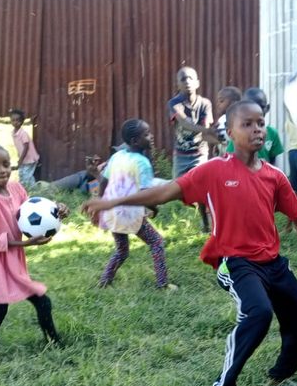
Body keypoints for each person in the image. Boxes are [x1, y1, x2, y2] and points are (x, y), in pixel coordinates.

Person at [83, 100, 297, 386]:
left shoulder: (273, 176)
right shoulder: (213, 171)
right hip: (237, 263)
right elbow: (162, 193)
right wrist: (112, 201)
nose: (257, 129)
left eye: (260, 123)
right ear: (230, 132)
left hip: (274, 263)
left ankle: (279, 377)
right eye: (247, 124)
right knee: (259, 313)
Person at [0, 143, 67, 371]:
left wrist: (56, 210)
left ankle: (54, 342)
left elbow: (30, 212)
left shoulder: (16, 188)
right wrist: (24, 243)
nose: (2, 170)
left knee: (41, 301)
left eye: (5, 164)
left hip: (13, 261)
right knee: (1, 308)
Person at [84, 119, 174, 290]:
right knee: (156, 243)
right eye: (146, 134)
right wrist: (154, 208)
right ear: (135, 141)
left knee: (122, 251)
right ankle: (162, 284)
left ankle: (104, 282)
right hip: (130, 213)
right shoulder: (142, 163)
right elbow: (146, 194)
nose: (151, 136)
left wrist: (101, 205)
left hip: (112, 213)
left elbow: (104, 183)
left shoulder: (117, 156)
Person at [167, 66, 214, 231]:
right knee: (178, 190)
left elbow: (206, 126)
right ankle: (195, 202)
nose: (187, 81)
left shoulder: (205, 104)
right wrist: (208, 131)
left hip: (199, 153)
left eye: (190, 78)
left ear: (197, 83)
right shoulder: (174, 103)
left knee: (200, 185)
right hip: (181, 154)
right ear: (177, 84)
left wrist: (211, 134)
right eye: (183, 79)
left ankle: (205, 223)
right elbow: (184, 122)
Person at [226, 87, 283, 164]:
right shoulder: (239, 134)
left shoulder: (272, 133)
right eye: (247, 124)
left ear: (267, 108)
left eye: (260, 106)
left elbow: (272, 161)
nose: (255, 110)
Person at [203, 85, 243, 154]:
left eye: (221, 101)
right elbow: (206, 136)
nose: (217, 104)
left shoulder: (239, 120)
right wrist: (218, 141)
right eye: (217, 101)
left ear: (233, 103)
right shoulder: (222, 119)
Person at [9, 108, 40, 189]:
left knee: (27, 175)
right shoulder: (13, 133)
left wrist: (21, 159)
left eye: (18, 120)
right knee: (22, 174)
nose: (15, 122)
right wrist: (20, 158)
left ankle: (33, 189)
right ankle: (23, 189)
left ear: (22, 122)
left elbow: (26, 147)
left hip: (29, 159)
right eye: (13, 120)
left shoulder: (23, 133)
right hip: (23, 159)